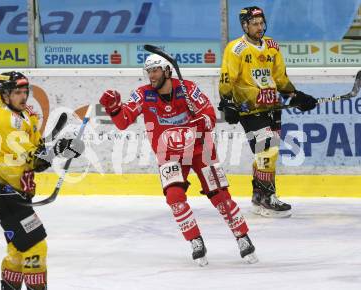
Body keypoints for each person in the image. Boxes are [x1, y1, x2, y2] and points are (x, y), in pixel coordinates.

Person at [99, 54, 258, 266]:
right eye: (149, 71)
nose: (151, 76)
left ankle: (242, 237)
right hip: (169, 152)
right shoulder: (143, 94)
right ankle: (195, 240)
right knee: (174, 197)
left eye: (155, 70)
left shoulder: (188, 88)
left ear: (167, 71)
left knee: (220, 195)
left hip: (201, 149)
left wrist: (202, 120)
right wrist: (114, 108)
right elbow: (123, 121)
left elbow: (210, 116)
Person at [0, 71, 84, 289]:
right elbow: (36, 160)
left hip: (10, 191)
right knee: (36, 246)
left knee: (18, 249)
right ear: (5, 95)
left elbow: (36, 151)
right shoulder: (4, 120)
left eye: (25, 91)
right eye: (17, 92)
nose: (23, 96)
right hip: (3, 193)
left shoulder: (23, 115)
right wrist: (59, 149)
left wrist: (58, 148)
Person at [218, 6, 318, 218]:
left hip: (272, 107)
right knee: (267, 151)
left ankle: (257, 196)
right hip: (249, 109)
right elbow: (228, 79)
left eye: (262, 23)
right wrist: (227, 102)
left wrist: (296, 95)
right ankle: (267, 198)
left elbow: (280, 78)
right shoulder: (235, 48)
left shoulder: (272, 45)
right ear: (245, 25)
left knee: (267, 152)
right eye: (255, 24)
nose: (260, 27)